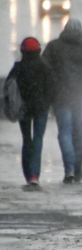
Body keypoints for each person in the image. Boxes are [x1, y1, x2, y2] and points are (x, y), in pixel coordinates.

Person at [43, 19, 82, 183]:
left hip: (61, 97)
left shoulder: (54, 47)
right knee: (78, 133)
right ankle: (78, 169)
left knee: (64, 133)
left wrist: (48, 92)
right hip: (80, 98)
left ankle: (69, 169)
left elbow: (45, 71)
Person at [6, 38, 54, 186]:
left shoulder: (18, 68)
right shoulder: (45, 68)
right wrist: (48, 103)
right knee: (38, 139)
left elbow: (8, 88)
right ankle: (34, 175)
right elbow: (51, 89)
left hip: (24, 109)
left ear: (23, 51)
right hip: (41, 108)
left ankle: (28, 173)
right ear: (38, 51)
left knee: (27, 139)